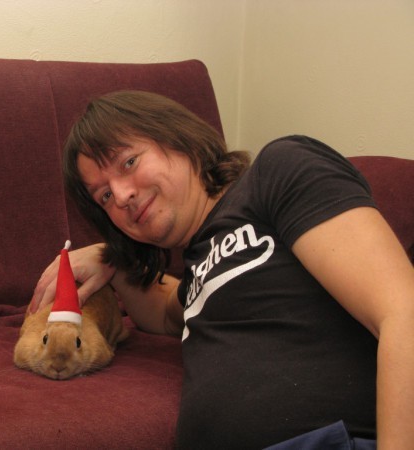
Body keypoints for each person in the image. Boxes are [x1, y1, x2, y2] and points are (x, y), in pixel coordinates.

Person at [29, 91, 414, 449]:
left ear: (177, 137)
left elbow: (403, 312)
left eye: (129, 162)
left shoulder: (279, 170)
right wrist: (109, 258)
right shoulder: (200, 269)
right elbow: (164, 311)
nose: (122, 196)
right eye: (105, 196)